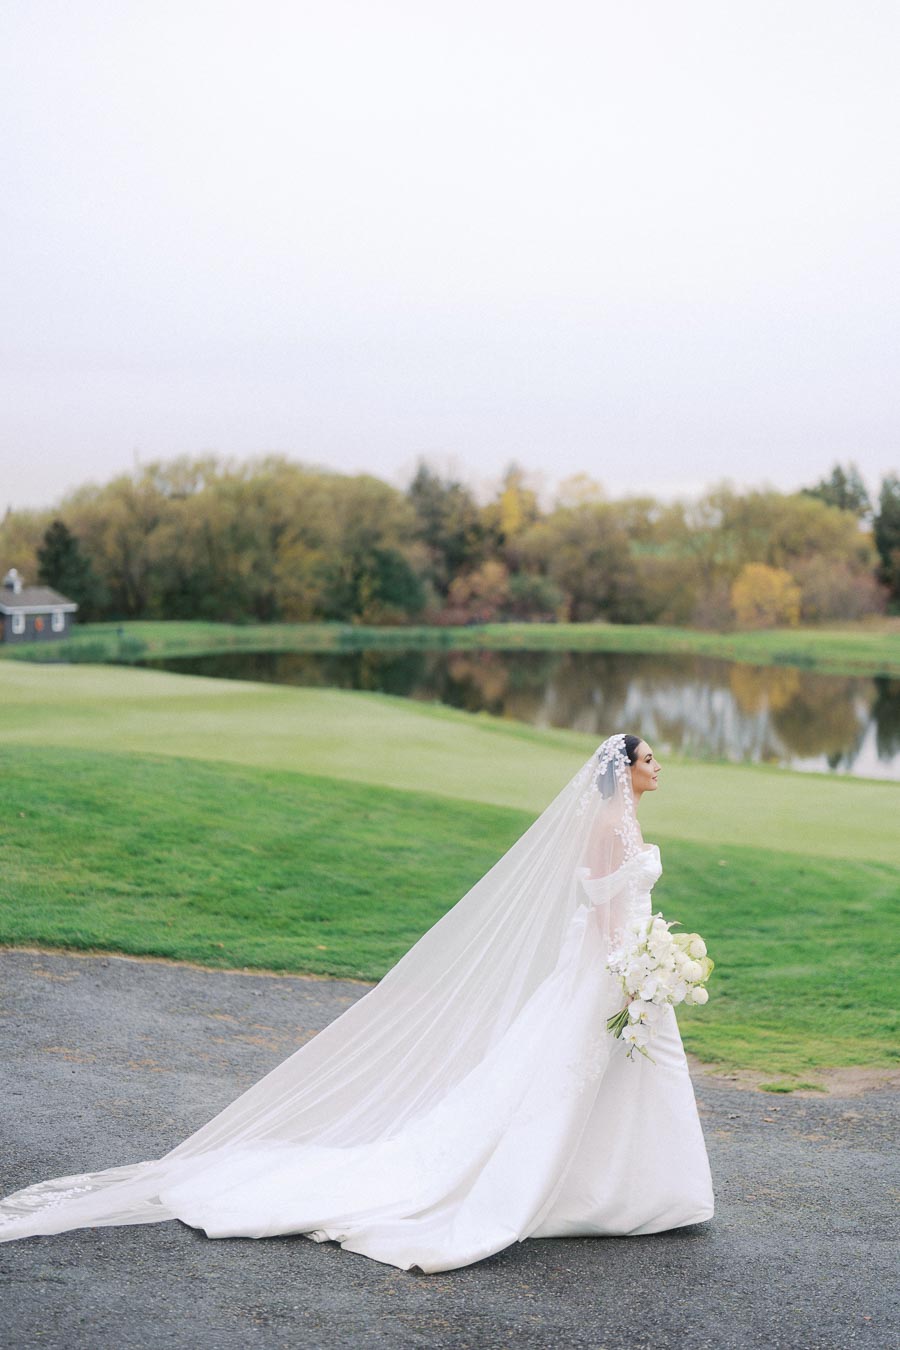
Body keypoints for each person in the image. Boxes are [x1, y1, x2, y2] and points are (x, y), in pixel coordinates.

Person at [0, 733, 714, 1272]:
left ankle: (635, 1189)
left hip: (626, 967)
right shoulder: (609, 827)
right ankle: (606, 1192)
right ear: (625, 770)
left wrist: (651, 953)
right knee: (577, 1076)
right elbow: (598, 907)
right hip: (616, 970)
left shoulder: (627, 823)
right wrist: (636, 966)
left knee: (606, 1076)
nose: (658, 767)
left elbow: (617, 901)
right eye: (649, 758)